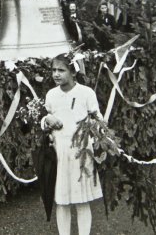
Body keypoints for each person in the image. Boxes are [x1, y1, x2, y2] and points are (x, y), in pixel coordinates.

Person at [42, 53, 103, 235]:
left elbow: (98, 119)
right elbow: (44, 121)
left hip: (80, 153)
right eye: (53, 70)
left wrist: (92, 127)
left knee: (81, 199)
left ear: (73, 72)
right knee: (62, 200)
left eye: (61, 70)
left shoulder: (86, 93)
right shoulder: (51, 94)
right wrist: (47, 119)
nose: (56, 74)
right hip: (59, 153)